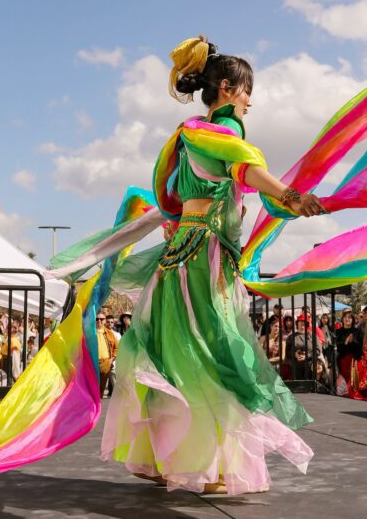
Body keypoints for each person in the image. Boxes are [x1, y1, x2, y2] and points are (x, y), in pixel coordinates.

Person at [103, 37, 324, 494]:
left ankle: (172, 460)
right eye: (245, 90)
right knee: (216, 352)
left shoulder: (185, 136)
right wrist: (291, 198)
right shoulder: (225, 131)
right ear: (225, 88)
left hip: (178, 253)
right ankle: (213, 467)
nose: (250, 100)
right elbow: (247, 174)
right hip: (205, 257)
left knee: (173, 352)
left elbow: (174, 195)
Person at [335, 310, 363, 390]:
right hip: (342, 361)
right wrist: (346, 342)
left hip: (354, 362)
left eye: (349, 317)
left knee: (353, 385)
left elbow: (360, 347)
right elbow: (338, 348)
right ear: (342, 319)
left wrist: (353, 342)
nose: (347, 319)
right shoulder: (338, 332)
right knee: (342, 386)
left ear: (353, 320)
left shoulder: (357, 331)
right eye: (345, 317)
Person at [96, 312, 118, 397]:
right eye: (97, 319)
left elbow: (117, 347)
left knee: (101, 388)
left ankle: (97, 407)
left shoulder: (109, 333)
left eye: (101, 319)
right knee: (92, 387)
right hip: (92, 363)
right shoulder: (89, 332)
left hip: (105, 363)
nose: (99, 321)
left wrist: (112, 359)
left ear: (104, 320)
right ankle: (92, 408)